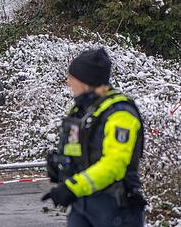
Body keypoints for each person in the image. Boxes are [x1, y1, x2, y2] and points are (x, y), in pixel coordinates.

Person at [42, 48, 146, 226]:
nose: (68, 83)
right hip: (81, 205)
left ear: (85, 81)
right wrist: (60, 166)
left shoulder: (120, 114)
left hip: (115, 206)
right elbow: (78, 150)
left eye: (71, 78)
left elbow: (114, 166)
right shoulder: (81, 110)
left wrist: (73, 187)